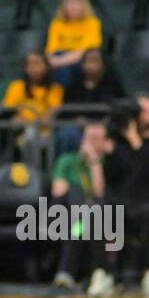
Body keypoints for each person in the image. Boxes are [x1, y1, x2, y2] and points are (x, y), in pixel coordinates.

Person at [89, 97, 149, 298]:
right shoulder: (118, 144)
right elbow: (110, 180)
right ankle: (102, 273)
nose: (141, 115)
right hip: (121, 204)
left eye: (147, 111)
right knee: (97, 212)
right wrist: (105, 153)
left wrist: (136, 141)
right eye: (139, 111)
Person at [50, 121, 108, 288]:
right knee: (76, 195)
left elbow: (100, 193)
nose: (90, 143)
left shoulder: (107, 163)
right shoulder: (68, 161)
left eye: (96, 139)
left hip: (98, 214)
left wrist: (94, 163)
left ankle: (66, 272)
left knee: (86, 215)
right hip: (65, 211)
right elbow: (58, 192)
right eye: (87, 138)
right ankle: (92, 273)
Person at [45, 0, 103, 84]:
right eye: (69, 3)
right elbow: (51, 49)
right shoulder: (57, 23)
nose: (73, 7)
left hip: (81, 59)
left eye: (77, 3)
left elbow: (85, 50)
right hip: (60, 57)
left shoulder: (93, 22)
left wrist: (60, 61)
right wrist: (49, 60)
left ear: (84, 5)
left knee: (68, 67)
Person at [2, 51, 64, 125]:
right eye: (29, 64)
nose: (33, 68)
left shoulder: (56, 89)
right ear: (25, 68)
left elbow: (49, 116)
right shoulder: (15, 86)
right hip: (18, 131)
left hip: (43, 133)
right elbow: (9, 111)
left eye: (37, 63)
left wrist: (29, 125)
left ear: (47, 67)